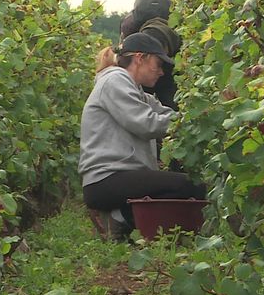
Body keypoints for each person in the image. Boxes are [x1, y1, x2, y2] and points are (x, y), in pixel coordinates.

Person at [78, 33, 206, 240]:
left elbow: (165, 114)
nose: (162, 72)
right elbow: (146, 123)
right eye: (158, 64)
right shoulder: (114, 81)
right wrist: (187, 125)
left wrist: (197, 120)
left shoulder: (135, 90)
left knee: (184, 185)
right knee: (189, 186)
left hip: (120, 177)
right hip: (106, 180)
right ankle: (120, 219)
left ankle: (126, 220)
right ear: (140, 58)